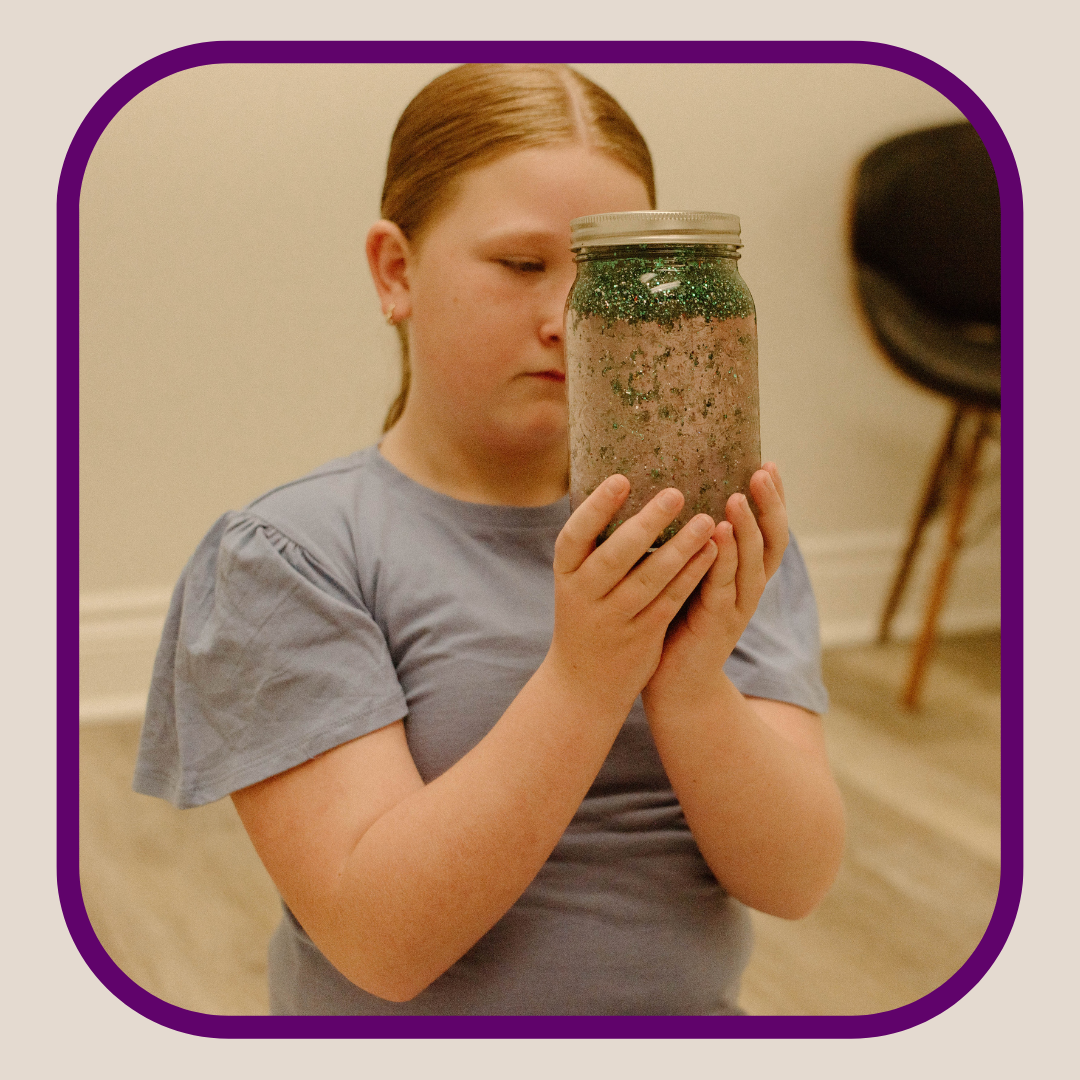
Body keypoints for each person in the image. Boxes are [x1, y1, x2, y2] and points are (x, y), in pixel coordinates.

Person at [134, 63, 845, 1016]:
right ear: (396, 272)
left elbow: (794, 881)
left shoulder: (712, 532)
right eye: (520, 266)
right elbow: (381, 946)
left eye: (606, 276)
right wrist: (588, 678)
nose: (570, 321)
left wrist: (688, 682)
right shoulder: (288, 557)